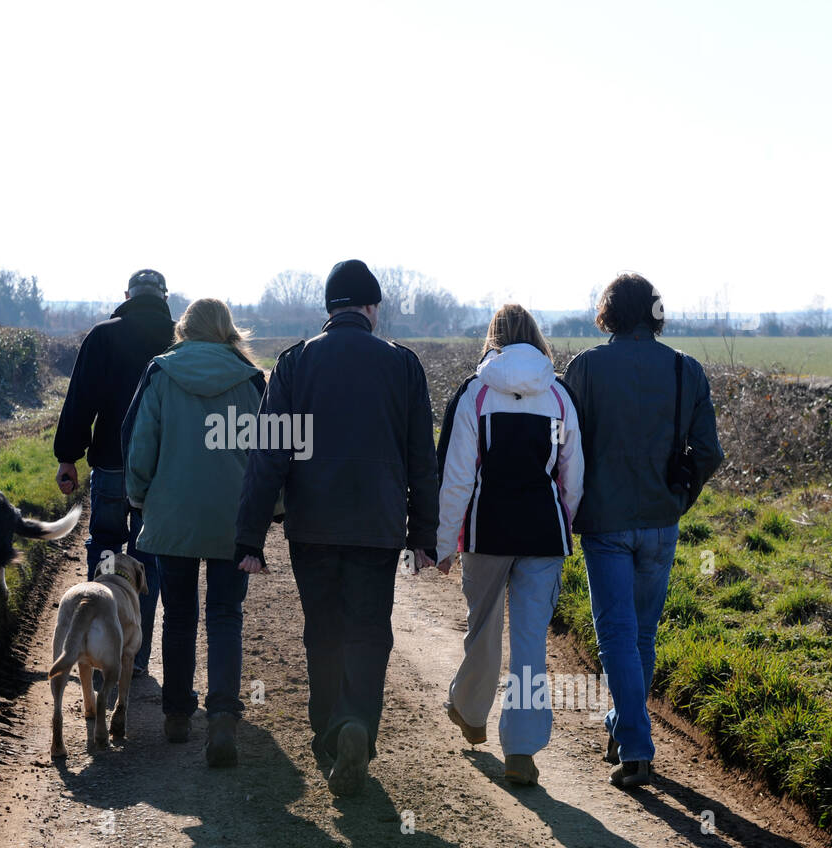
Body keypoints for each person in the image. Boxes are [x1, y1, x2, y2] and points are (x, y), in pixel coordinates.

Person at [235, 259, 440, 798]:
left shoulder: (295, 364)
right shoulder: (404, 365)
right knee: (370, 630)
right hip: (378, 527)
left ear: (330, 309)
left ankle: (331, 732)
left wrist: (249, 537)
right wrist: (424, 535)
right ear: (371, 308)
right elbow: (423, 458)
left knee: (323, 630)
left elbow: (267, 456)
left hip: (313, 528)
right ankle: (356, 724)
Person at [562, 273, 723, 789]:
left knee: (616, 636)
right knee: (641, 634)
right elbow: (709, 453)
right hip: (661, 522)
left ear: (608, 313)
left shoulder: (584, 369)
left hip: (605, 522)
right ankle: (621, 724)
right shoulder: (686, 369)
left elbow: (564, 445)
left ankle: (636, 747)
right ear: (654, 313)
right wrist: (679, 499)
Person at [434, 304, 583, 787]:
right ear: (536, 338)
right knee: (529, 644)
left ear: (494, 338)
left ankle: (471, 711)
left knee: (483, 630)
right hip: (544, 535)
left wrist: (443, 541)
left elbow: (457, 477)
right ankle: (521, 751)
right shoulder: (559, 396)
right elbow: (571, 476)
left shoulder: (476, 394)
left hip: (486, 533)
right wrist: (564, 522)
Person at [122, 298, 270, 766]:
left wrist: (138, 495)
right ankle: (223, 715)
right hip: (233, 519)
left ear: (184, 328)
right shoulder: (250, 380)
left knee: (179, 614)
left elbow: (142, 441)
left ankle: (177, 714)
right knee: (226, 614)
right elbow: (266, 453)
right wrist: (273, 511)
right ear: (228, 330)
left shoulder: (162, 373)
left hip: (173, 514)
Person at [54, 268, 172, 678]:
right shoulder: (178, 339)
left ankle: (98, 647)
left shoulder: (103, 336)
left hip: (109, 464)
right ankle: (134, 658)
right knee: (148, 559)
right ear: (163, 296)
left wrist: (67, 457)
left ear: (127, 294)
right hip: (159, 469)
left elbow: (80, 401)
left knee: (104, 547)